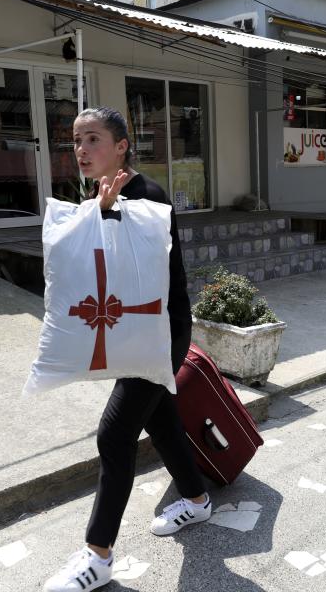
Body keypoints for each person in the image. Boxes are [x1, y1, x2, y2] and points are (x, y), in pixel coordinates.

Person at [43, 107, 211, 592]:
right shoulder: (106, 195)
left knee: (115, 436)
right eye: (76, 141)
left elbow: (139, 272)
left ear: (122, 146)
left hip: (159, 332)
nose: (81, 150)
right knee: (159, 420)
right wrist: (100, 210)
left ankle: (97, 556)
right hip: (137, 333)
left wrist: (111, 212)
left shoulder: (147, 196)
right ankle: (198, 502)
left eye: (93, 139)